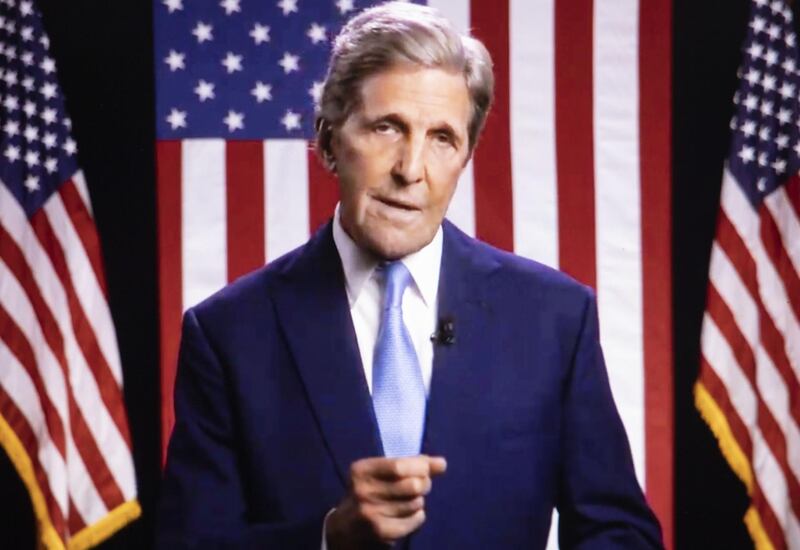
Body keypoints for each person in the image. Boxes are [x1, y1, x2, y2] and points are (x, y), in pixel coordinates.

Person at [156, 2, 664, 548]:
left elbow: (621, 534)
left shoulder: (553, 319)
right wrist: (327, 539)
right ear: (329, 141)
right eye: (387, 128)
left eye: (441, 138)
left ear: (464, 158)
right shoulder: (230, 335)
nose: (410, 169)